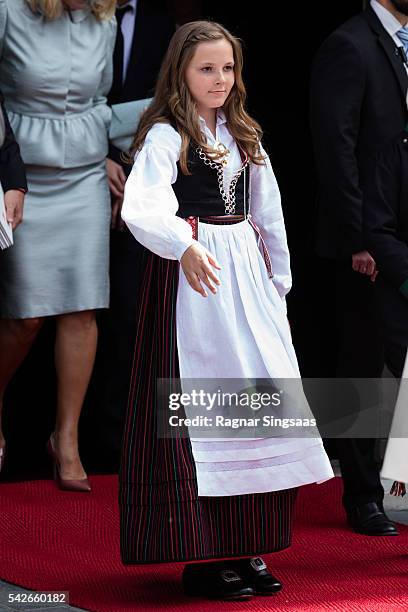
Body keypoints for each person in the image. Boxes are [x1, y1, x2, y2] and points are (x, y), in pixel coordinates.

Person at [119, 20, 333, 601]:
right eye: (206, 68)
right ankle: (204, 553)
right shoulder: (169, 134)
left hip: (246, 278)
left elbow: (270, 214)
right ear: (181, 73)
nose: (219, 79)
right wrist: (184, 245)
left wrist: (278, 283)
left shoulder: (243, 136)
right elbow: (142, 206)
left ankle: (249, 544)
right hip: (199, 286)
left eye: (228, 68)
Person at [0, 0, 116, 491]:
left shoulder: (103, 18)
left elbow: (102, 100)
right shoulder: (8, 10)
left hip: (85, 175)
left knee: (82, 310)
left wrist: (113, 153)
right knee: (24, 318)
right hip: (20, 175)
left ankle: (66, 439)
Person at [310, 0, 408, 536]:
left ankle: (399, 488)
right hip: (364, 240)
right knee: (360, 368)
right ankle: (363, 496)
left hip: (401, 231)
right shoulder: (347, 44)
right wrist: (357, 238)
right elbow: (335, 146)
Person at [94, 0, 175, 471]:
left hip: (138, 184)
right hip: (70, 174)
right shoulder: (77, 16)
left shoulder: (161, 25)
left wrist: (133, 174)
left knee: (131, 312)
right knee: (71, 312)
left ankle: (121, 439)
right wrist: (98, 155)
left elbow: (167, 103)